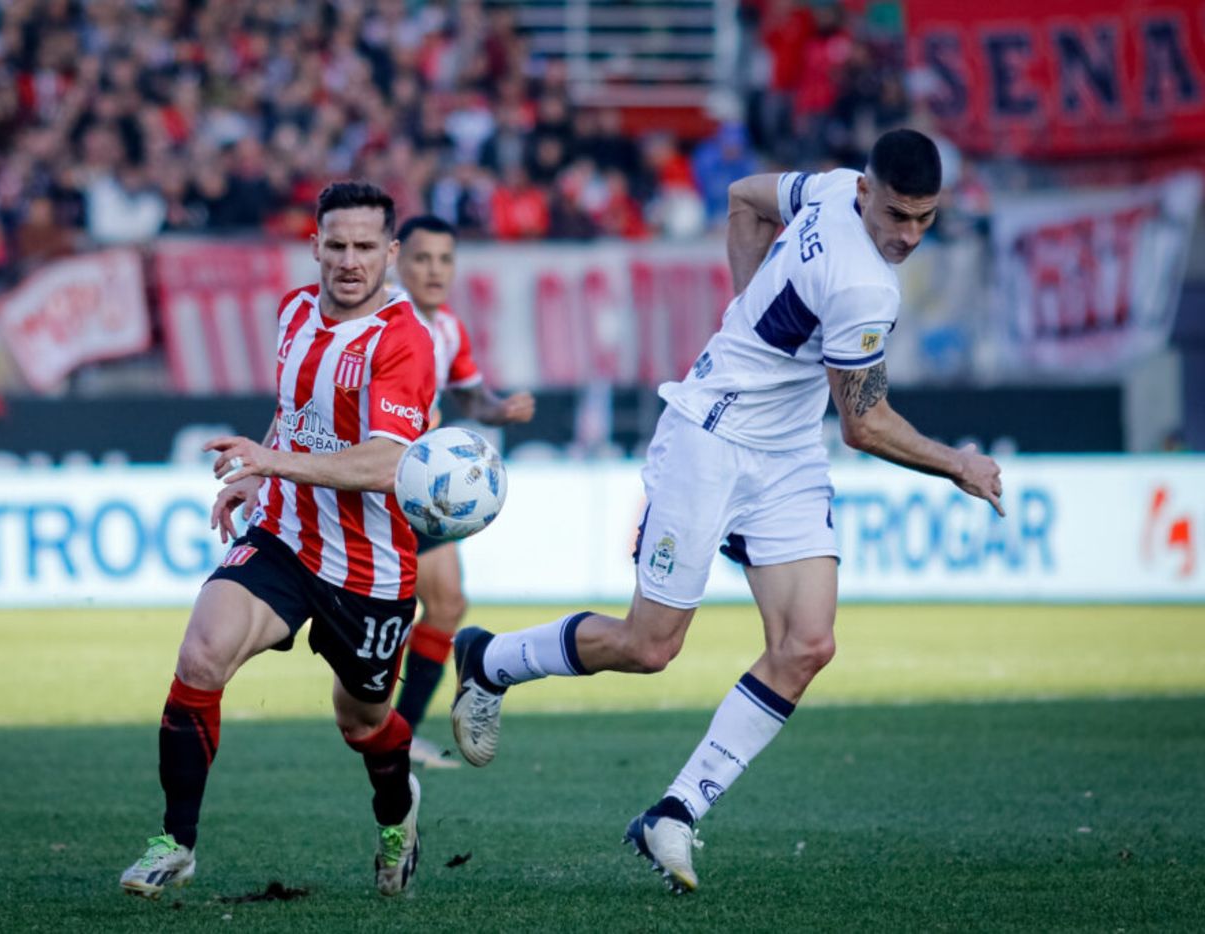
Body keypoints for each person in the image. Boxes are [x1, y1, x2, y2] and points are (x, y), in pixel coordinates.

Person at [447, 128, 1004, 892]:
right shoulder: (864, 285)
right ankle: (490, 659)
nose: (907, 235)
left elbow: (746, 199)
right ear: (868, 193)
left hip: (785, 455)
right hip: (709, 439)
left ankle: (673, 813)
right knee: (650, 646)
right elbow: (865, 423)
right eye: (897, 216)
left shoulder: (830, 184)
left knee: (807, 644)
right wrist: (959, 464)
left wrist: (745, 307)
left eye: (925, 219)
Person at [119, 182, 437, 899]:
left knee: (363, 723)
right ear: (315, 245)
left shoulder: (404, 341)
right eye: (336, 245)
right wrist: (263, 479)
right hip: (286, 536)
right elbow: (294, 415)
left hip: (371, 570)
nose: (349, 261)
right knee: (202, 652)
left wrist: (273, 463)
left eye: (365, 247)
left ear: (390, 253)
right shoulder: (294, 311)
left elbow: (389, 464)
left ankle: (398, 812)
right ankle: (176, 842)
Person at [390, 214, 536, 769]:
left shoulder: (447, 327)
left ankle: (399, 735)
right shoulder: (382, 316)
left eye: (445, 260)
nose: (434, 270)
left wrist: (499, 410)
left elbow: (469, 397)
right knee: (389, 607)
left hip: (412, 490)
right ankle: (386, 733)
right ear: (399, 261)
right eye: (423, 258)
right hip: (373, 479)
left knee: (446, 601)